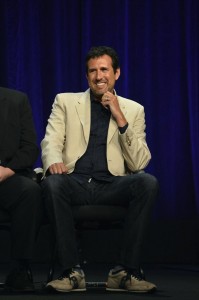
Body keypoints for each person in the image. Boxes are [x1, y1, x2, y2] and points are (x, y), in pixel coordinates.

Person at [41, 46, 158, 293]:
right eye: (93, 71)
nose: (98, 76)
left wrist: (119, 116)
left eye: (104, 70)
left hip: (112, 185)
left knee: (147, 182)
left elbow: (139, 163)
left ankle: (123, 272)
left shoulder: (134, 109)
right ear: (87, 77)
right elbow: (51, 140)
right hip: (74, 180)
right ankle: (71, 271)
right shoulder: (65, 101)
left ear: (117, 73)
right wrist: (53, 160)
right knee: (51, 183)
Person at [0, 87, 42, 292]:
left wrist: (6, 171)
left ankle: (20, 269)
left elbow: (29, 147)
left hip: (6, 175)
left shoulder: (17, 100)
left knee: (30, 191)